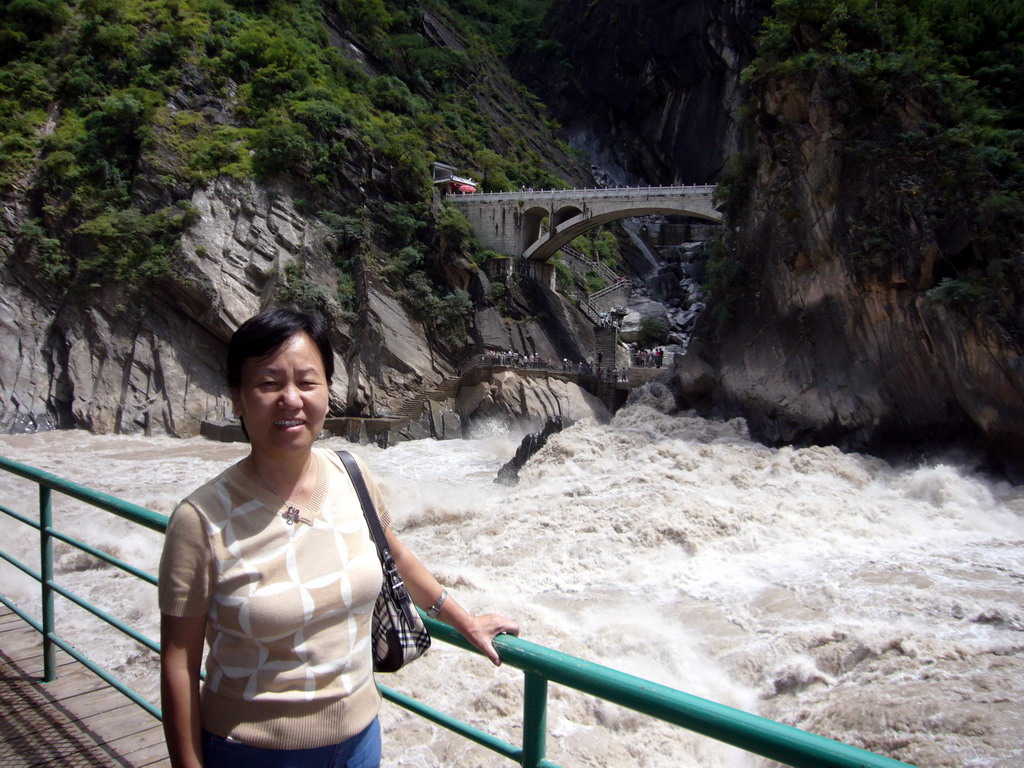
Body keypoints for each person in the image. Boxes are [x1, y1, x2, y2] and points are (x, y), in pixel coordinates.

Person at [159, 308, 519, 768]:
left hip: (359, 743)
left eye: (307, 382)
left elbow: (396, 556)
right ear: (237, 398)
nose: (291, 399)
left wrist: (462, 619)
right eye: (269, 384)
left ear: (328, 391)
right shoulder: (199, 520)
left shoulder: (351, 474)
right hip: (250, 751)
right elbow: (179, 663)